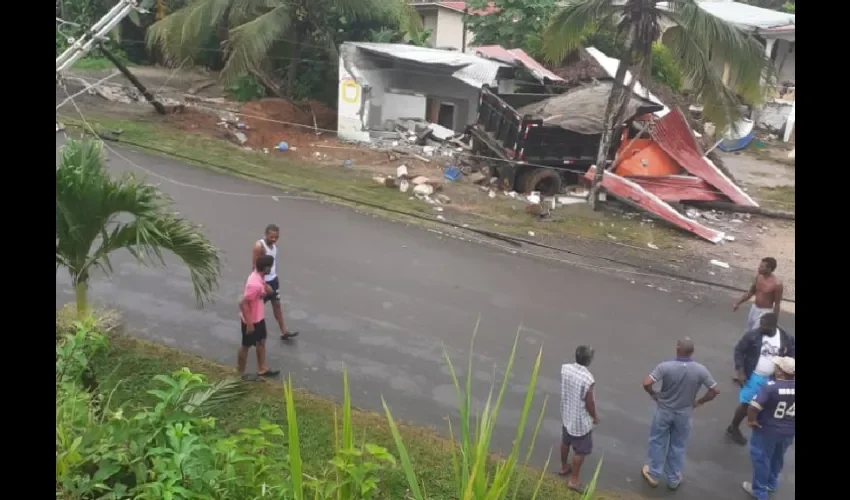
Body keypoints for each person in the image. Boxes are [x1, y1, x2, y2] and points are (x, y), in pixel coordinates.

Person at [641, 338, 719, 490]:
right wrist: (699, 401)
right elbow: (715, 390)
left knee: (657, 441)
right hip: (684, 413)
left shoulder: (665, 366)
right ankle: (674, 478)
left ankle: (654, 473)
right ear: (692, 351)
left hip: (664, 410)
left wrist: (654, 394)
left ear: (677, 348)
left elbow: (646, 383)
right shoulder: (700, 370)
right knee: (678, 445)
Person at [727, 312, 795, 445]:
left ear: (774, 326)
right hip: (754, 376)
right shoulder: (753, 335)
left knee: (767, 404)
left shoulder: (785, 337)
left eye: (765, 327)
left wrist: (788, 369)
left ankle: (763, 431)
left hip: (774, 377)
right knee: (747, 404)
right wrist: (740, 370)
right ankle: (733, 427)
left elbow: (792, 352)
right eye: (761, 325)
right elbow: (739, 350)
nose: (761, 328)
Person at [741, 357, 795, 500]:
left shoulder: (771, 387)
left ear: (781, 372)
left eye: (777, 367)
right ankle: (771, 483)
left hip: (768, 430)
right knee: (777, 457)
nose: (775, 368)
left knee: (762, 459)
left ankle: (759, 492)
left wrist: (752, 421)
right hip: (789, 431)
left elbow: (753, 406)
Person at [558, 345, 599, 493]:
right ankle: (574, 480)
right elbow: (589, 402)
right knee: (581, 450)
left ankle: (563, 467)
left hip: (567, 414)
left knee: (565, 441)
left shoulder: (565, 368)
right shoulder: (588, 379)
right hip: (580, 421)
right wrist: (595, 416)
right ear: (588, 361)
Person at [253, 224, 299, 340]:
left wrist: (274, 278)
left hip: (273, 280)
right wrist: (262, 284)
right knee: (256, 308)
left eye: (276, 237)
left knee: (277, 305)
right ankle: (250, 328)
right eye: (271, 237)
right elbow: (255, 267)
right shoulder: (259, 246)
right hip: (263, 283)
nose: (274, 239)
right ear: (266, 234)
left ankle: (284, 331)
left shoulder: (274, 246)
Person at [238, 254, 280, 380]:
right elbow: (243, 303)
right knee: (245, 346)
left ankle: (262, 368)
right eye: (270, 267)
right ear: (266, 269)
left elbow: (265, 291)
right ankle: (240, 374)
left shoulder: (260, 277)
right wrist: (250, 324)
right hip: (251, 321)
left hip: (259, 318)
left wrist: (268, 289)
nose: (271, 269)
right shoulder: (254, 284)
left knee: (261, 342)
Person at [733, 257, 784, 332]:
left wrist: (774, 321)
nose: (758, 268)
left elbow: (777, 304)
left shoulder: (777, 285)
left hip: (765, 312)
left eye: (761, 267)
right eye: (760, 266)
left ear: (769, 269)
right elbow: (751, 292)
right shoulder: (759, 277)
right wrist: (738, 303)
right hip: (754, 309)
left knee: (756, 334)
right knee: (748, 332)